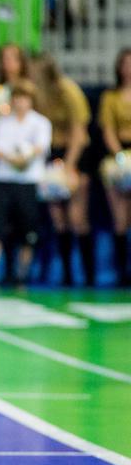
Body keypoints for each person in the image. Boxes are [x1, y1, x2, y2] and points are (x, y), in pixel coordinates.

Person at [30, 53, 93, 286]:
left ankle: (88, 274)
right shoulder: (37, 95)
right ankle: (66, 274)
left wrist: (69, 166)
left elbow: (79, 132)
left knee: (77, 217)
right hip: (52, 154)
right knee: (58, 219)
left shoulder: (69, 92)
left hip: (75, 154)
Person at [0, 80, 51, 288]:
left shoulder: (41, 123)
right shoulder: (3, 123)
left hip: (28, 183)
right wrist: (15, 160)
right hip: (3, 181)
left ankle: (22, 277)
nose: (21, 102)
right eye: (17, 98)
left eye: (25, 98)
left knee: (27, 232)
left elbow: (41, 147)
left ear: (31, 101)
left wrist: (25, 158)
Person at [99, 48, 131, 286]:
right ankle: (121, 271)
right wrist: (120, 156)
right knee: (120, 217)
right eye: (126, 64)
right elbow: (108, 130)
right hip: (119, 154)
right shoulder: (110, 97)